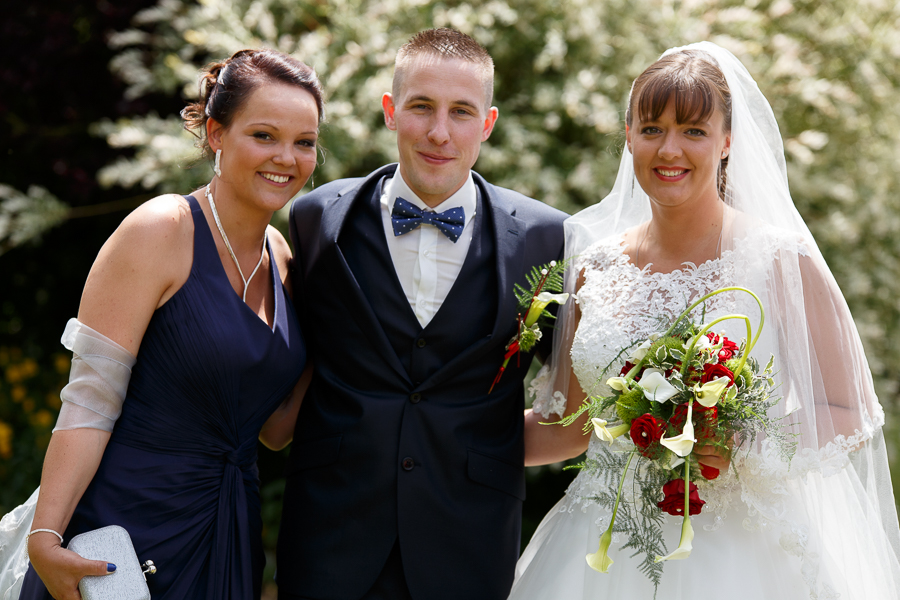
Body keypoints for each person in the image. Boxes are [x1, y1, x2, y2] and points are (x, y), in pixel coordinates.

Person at [510, 42, 900, 599]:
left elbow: (848, 409)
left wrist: (742, 440)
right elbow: (569, 427)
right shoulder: (593, 267)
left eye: (693, 130)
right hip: (601, 548)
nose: (670, 149)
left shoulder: (778, 260)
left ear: (727, 142)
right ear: (628, 136)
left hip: (743, 557)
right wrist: (439, 436)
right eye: (652, 129)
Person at [17, 48, 321, 600]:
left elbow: (275, 431)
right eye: (264, 135)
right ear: (216, 133)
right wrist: (46, 534)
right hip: (128, 524)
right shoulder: (162, 229)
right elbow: (90, 397)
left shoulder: (284, 258)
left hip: (230, 531)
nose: (287, 157)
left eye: (304, 142)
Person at [276, 28, 567, 600]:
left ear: (488, 123)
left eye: (462, 112)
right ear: (390, 111)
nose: (439, 132)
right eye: (421, 107)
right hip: (329, 537)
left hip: (470, 540)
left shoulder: (546, 237)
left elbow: (573, 402)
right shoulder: (316, 219)